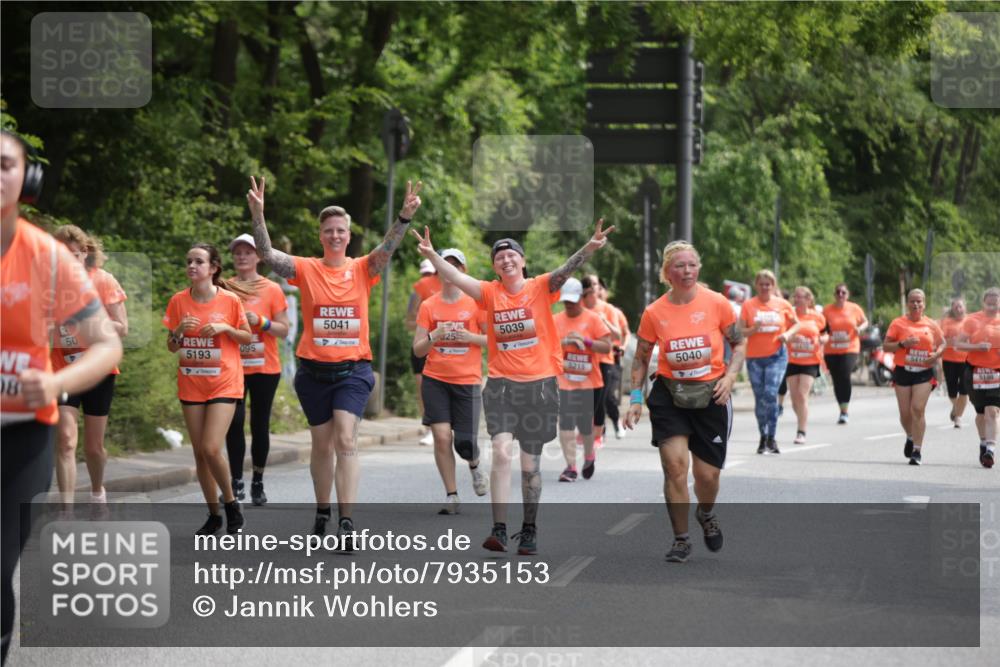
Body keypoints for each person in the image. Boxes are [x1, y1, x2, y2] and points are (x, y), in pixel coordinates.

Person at [412, 219, 615, 556]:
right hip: (502, 386)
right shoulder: (489, 293)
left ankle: (530, 528)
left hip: (539, 386)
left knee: (529, 465)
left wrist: (590, 247)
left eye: (511, 255)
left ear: (522, 262)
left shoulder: (540, 288)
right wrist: (432, 254)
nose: (505, 260)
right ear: (494, 267)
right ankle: (499, 529)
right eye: (499, 257)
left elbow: (566, 269)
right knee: (503, 452)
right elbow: (456, 277)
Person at [1, 130, 122, 662]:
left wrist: (54, 383)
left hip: (23, 435)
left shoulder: (48, 258)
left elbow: (106, 343)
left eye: (4, 164)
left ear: (26, 179)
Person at [248, 175, 422, 543]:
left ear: (348, 235)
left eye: (341, 230)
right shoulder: (306, 269)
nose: (335, 236)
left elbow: (387, 250)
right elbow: (267, 256)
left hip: (353, 371)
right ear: (321, 235)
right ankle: (322, 510)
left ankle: (346, 521)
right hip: (313, 371)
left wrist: (404, 218)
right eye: (329, 230)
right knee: (321, 445)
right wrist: (258, 216)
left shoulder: (362, 269)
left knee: (346, 438)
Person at [623, 241, 746, 564]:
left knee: (707, 477)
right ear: (667, 272)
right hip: (669, 395)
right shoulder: (654, 312)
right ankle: (681, 539)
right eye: (679, 265)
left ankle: (705, 513)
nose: (687, 271)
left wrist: (730, 376)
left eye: (692, 264)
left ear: (699, 268)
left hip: (712, 395)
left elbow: (740, 343)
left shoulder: (718, 304)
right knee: (675, 466)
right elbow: (640, 358)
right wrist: (636, 399)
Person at [164, 243, 252, 533]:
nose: (192, 266)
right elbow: (170, 347)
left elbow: (246, 338)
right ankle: (214, 515)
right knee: (199, 453)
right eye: (189, 261)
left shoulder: (229, 301)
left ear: (213, 268)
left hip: (224, 381)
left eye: (198, 261)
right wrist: (178, 332)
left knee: (211, 447)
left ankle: (231, 504)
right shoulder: (178, 301)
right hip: (192, 382)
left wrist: (225, 328)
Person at [51, 226, 128, 510]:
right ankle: (66, 512)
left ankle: (97, 491)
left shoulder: (103, 280)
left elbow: (122, 327)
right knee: (66, 441)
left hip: (99, 370)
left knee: (94, 447)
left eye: (74, 254)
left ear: (85, 253)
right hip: (63, 370)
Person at [411, 248, 489, 513]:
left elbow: (495, 340)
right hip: (436, 380)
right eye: (443, 266)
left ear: (462, 272)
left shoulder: (476, 303)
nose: (448, 271)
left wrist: (470, 338)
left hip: (467, 381)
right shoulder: (429, 305)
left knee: (465, 443)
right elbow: (418, 350)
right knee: (442, 437)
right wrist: (434, 336)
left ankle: (475, 464)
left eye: (454, 266)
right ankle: (452, 495)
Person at [224, 234, 290, 506]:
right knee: (234, 423)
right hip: (232, 366)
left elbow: (284, 330)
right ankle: (236, 481)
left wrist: (261, 322)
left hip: (265, 366)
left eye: (248, 252)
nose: (242, 256)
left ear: (259, 257)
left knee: (259, 424)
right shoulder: (224, 287)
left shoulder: (272, 289)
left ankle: (258, 482)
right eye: (237, 252)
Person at [552, 277, 612, 481]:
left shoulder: (593, 319)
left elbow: (607, 346)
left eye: (573, 300)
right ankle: (570, 467)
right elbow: (546, 347)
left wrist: (585, 341)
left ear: (581, 297)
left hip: (589, 380)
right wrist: (565, 341)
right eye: (566, 301)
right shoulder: (556, 320)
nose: (569, 304)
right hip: (564, 380)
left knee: (585, 424)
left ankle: (589, 455)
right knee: (566, 423)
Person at [883, 289, 945, 466]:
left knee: (917, 409)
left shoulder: (931, 324)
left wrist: (936, 355)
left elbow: (943, 343)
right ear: (908, 304)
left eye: (919, 301)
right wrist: (903, 344)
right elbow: (886, 346)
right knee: (905, 414)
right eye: (912, 301)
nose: (916, 304)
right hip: (903, 370)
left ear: (924, 304)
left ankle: (917, 450)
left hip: (923, 373)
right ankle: (910, 436)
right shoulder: (898, 323)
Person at [741, 269, 799, 455]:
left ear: (773, 286)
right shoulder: (749, 305)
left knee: (770, 393)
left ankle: (772, 437)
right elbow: (741, 331)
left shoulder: (782, 304)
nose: (765, 287)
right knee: (759, 398)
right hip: (754, 358)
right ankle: (762, 437)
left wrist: (787, 334)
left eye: (768, 284)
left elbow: (797, 324)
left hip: (777, 356)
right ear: (756, 285)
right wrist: (753, 329)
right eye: (761, 284)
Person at [956, 287, 1000, 468]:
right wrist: (977, 347)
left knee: (993, 411)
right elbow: (958, 344)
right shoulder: (972, 320)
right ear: (983, 303)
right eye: (988, 304)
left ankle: (990, 449)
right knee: (980, 414)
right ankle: (983, 442)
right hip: (975, 372)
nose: (991, 307)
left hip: (997, 372)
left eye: (995, 304)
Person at [581, 275, 622, 448]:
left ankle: (600, 433)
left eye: (595, 285)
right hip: (584, 359)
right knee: (586, 399)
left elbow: (618, 335)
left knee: (603, 398)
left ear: (599, 289)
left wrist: (603, 320)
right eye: (588, 285)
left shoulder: (608, 309)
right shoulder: (578, 307)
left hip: (605, 359)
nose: (592, 288)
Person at [784, 286, 828, 445]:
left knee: (802, 394)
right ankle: (801, 417)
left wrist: (824, 339)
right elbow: (783, 334)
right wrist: (791, 339)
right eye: (795, 296)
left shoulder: (818, 317)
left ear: (809, 300)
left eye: (800, 296)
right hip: (792, 360)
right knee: (795, 399)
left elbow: (826, 333)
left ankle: (801, 431)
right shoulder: (790, 316)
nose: (796, 299)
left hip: (811, 360)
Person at [406, 258, 441, 446]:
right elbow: (408, 323)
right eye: (424, 274)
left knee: (439, 387)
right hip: (422, 344)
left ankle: (442, 425)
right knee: (421, 388)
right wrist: (424, 324)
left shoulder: (448, 288)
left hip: (442, 347)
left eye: (430, 273)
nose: (426, 278)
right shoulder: (417, 292)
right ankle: (429, 429)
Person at [823, 283, 868, 424]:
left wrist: (860, 328)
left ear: (847, 295)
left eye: (843, 292)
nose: (840, 295)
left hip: (850, 348)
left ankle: (845, 410)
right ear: (834, 295)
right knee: (837, 380)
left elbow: (865, 321)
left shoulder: (854, 308)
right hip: (831, 350)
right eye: (838, 292)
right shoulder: (827, 310)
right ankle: (841, 408)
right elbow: (821, 327)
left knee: (845, 375)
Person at [939, 297, 969, 429]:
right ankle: (956, 408)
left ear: (965, 308)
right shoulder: (946, 322)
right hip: (949, 360)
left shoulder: (970, 321)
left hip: (966, 360)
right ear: (952, 309)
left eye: (960, 306)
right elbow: (941, 339)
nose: (958, 309)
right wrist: (950, 341)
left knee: (964, 391)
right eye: (956, 307)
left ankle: (958, 417)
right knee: (952, 391)